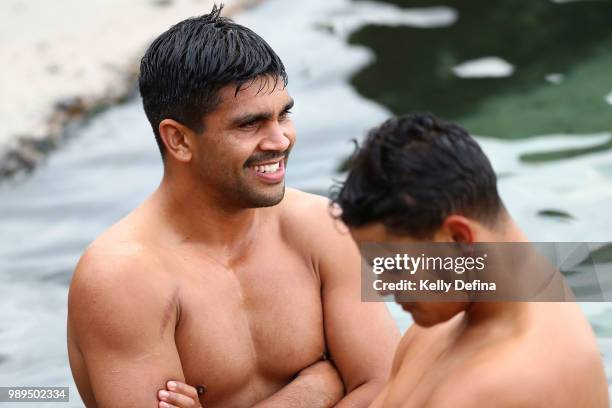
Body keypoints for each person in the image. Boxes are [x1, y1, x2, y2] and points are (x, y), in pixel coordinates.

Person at [66, 6, 399, 408]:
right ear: (179, 141)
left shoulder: (319, 229)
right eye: (250, 124)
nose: (280, 140)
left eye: (284, 115)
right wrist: (317, 387)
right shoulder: (124, 278)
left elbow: (389, 390)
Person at [331, 113, 609, 407]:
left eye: (396, 266)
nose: (384, 287)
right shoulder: (444, 321)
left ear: (459, 238)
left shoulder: (499, 385)